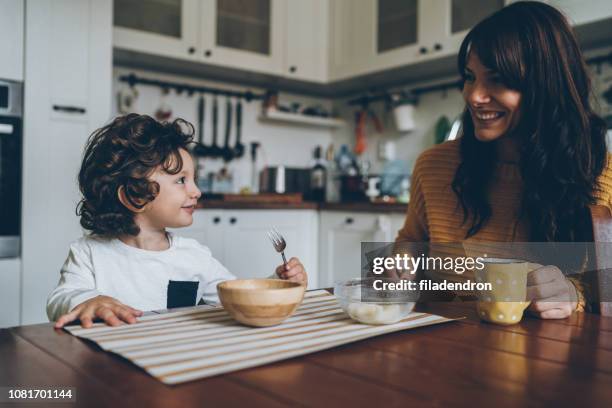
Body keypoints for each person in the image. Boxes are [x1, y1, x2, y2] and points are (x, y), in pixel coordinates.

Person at [396, 1, 612, 319]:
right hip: (442, 346)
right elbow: (411, 242)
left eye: (497, 79)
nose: (473, 96)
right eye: (470, 77)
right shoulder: (433, 165)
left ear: (545, 86)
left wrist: (571, 295)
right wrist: (401, 265)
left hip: (548, 357)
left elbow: (602, 296)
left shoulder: (600, 174)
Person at [47, 114, 307, 328]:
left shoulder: (194, 257)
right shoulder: (88, 254)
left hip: (176, 363)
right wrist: (92, 300)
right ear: (133, 195)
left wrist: (279, 282)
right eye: (181, 180)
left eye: (193, 179)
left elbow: (235, 298)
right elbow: (60, 299)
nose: (196, 191)